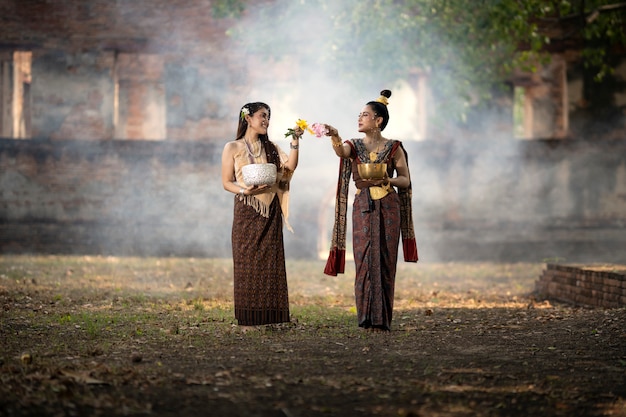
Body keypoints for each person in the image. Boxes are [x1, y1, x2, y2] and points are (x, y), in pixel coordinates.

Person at [322, 89, 418, 331]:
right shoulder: (352, 145)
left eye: (365, 115)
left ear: (378, 121)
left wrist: (388, 180)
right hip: (363, 204)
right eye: (359, 115)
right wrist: (334, 135)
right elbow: (341, 153)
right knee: (364, 259)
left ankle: (382, 320)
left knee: (385, 259)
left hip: (388, 205)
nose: (360, 118)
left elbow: (405, 179)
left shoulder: (393, 147)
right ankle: (365, 318)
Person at [221, 102, 301, 329]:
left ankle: (271, 317)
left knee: (271, 262)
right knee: (247, 261)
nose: (266, 120)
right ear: (248, 118)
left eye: (268, 117)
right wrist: (245, 190)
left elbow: (290, 167)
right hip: (248, 209)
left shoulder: (273, 148)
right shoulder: (232, 147)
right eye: (262, 116)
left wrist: (295, 141)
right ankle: (248, 319)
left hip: (271, 209)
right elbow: (227, 182)